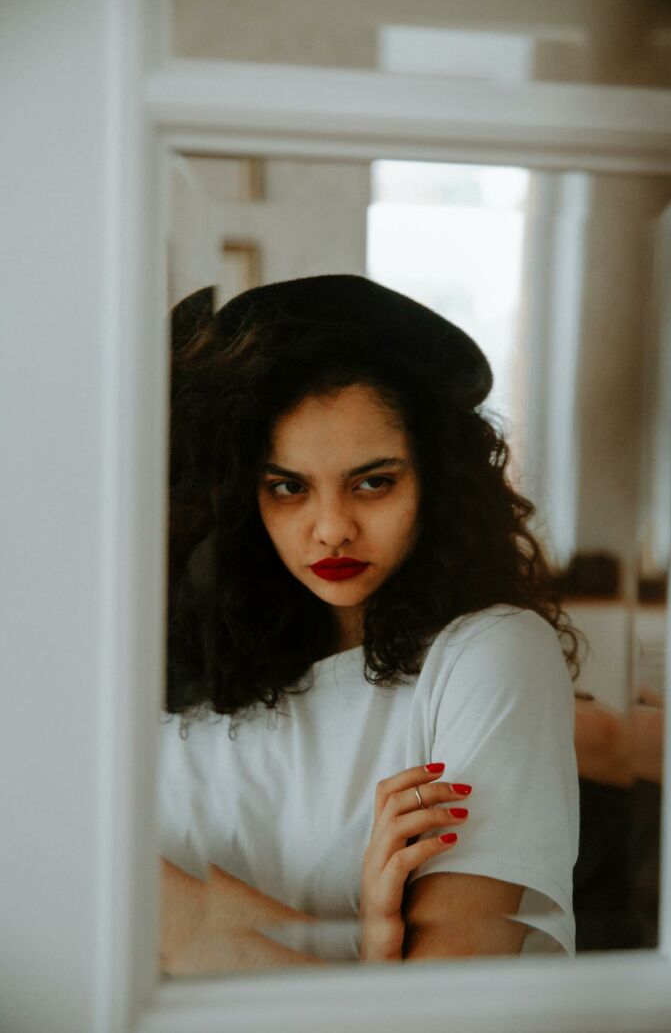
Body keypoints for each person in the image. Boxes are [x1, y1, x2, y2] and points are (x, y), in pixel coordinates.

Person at [159, 274, 581, 973]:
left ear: (437, 482)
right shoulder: (179, 669)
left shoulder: (489, 657)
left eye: (373, 482)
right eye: (288, 487)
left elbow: (448, 1009)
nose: (331, 529)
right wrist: (361, 963)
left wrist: (182, 922)